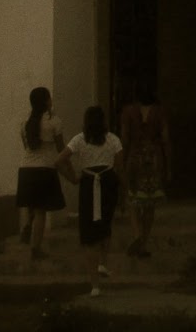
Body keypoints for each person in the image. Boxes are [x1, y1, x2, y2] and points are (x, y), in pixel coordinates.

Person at [57, 105, 123, 296]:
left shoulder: (79, 139)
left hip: (88, 183)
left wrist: (73, 178)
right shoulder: (113, 140)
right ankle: (103, 261)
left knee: (89, 235)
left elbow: (59, 161)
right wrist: (124, 190)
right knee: (105, 224)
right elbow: (119, 166)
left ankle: (94, 284)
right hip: (108, 182)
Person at [116, 79, 171, 258]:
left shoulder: (128, 112)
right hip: (154, 157)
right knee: (150, 203)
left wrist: (121, 161)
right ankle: (144, 243)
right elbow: (165, 138)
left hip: (135, 156)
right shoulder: (159, 111)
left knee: (132, 199)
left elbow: (124, 138)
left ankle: (137, 234)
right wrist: (168, 163)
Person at [15, 87, 65, 261]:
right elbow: (60, 148)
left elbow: (26, 146)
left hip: (26, 168)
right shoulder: (54, 121)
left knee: (31, 204)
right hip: (45, 168)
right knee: (41, 211)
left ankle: (27, 225)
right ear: (46, 101)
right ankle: (36, 247)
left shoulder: (24, 122)